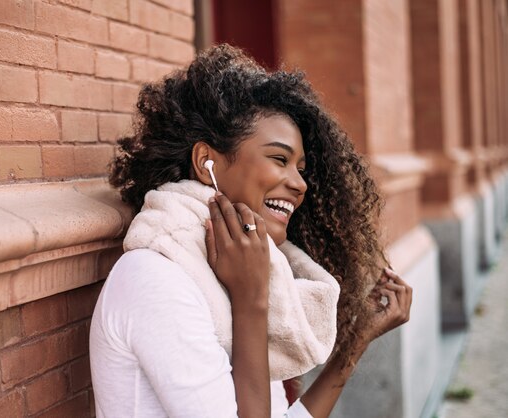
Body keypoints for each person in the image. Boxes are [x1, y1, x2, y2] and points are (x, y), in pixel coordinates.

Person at [89, 44, 412, 418]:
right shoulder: (156, 278)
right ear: (205, 162)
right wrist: (251, 300)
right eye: (279, 159)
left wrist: (354, 344)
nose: (300, 184)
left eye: (301, 168)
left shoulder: (242, 272)